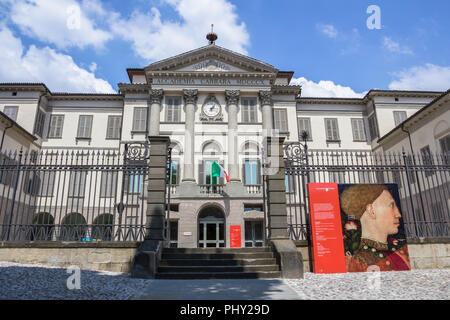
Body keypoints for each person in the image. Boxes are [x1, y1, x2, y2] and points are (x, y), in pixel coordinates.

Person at [340, 184, 411, 272]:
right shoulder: (361, 260)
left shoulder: (396, 252)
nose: (398, 215)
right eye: (391, 205)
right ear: (371, 211)